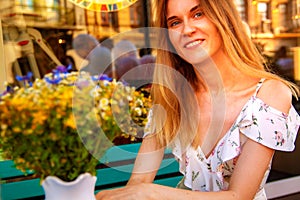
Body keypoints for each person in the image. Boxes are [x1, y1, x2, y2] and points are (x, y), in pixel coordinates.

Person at [96, 0, 300, 199]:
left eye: (198, 14)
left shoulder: (268, 95)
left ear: (223, 19)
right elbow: (138, 183)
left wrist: (152, 193)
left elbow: (239, 196)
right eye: (175, 22)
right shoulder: (172, 98)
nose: (187, 29)